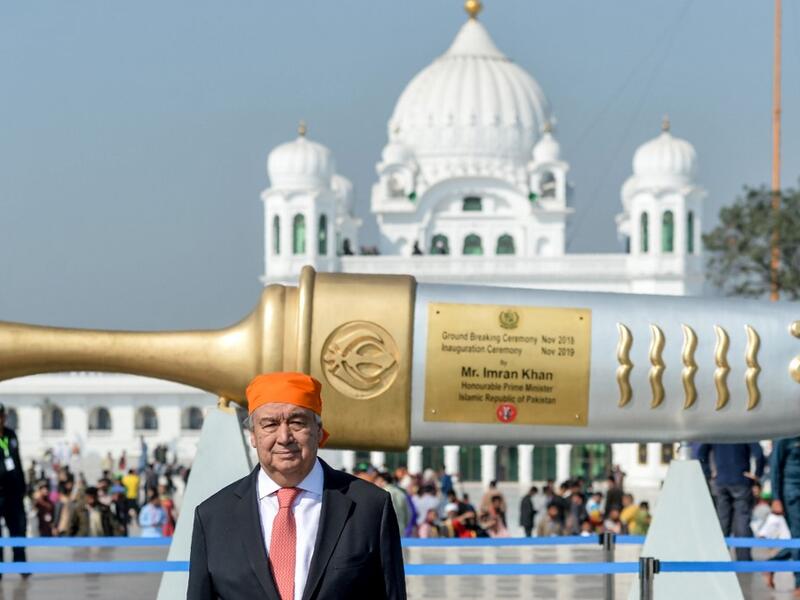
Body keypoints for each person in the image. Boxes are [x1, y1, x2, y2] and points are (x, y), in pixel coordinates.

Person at [188, 372, 406, 599]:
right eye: (270, 424)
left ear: (319, 431)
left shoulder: (369, 507)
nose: (284, 437)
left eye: (297, 422)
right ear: (253, 435)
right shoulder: (213, 516)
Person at [697, 442, 765, 561]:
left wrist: (708, 473)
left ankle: (719, 556)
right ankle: (743, 559)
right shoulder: (745, 431)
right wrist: (756, 475)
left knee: (723, 520)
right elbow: (759, 454)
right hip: (741, 480)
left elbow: (701, 453)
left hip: (721, 481)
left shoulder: (716, 432)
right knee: (742, 521)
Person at [766, 436, 800, 594]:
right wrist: (776, 498)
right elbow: (775, 468)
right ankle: (799, 583)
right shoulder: (786, 436)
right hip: (792, 494)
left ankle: (771, 564)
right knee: (798, 537)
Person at [0, 403, 29, 579]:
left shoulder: (11, 435)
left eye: (2, 416)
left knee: (18, 528)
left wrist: (23, 485)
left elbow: (17, 461)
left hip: (13, 492)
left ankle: (21, 564)